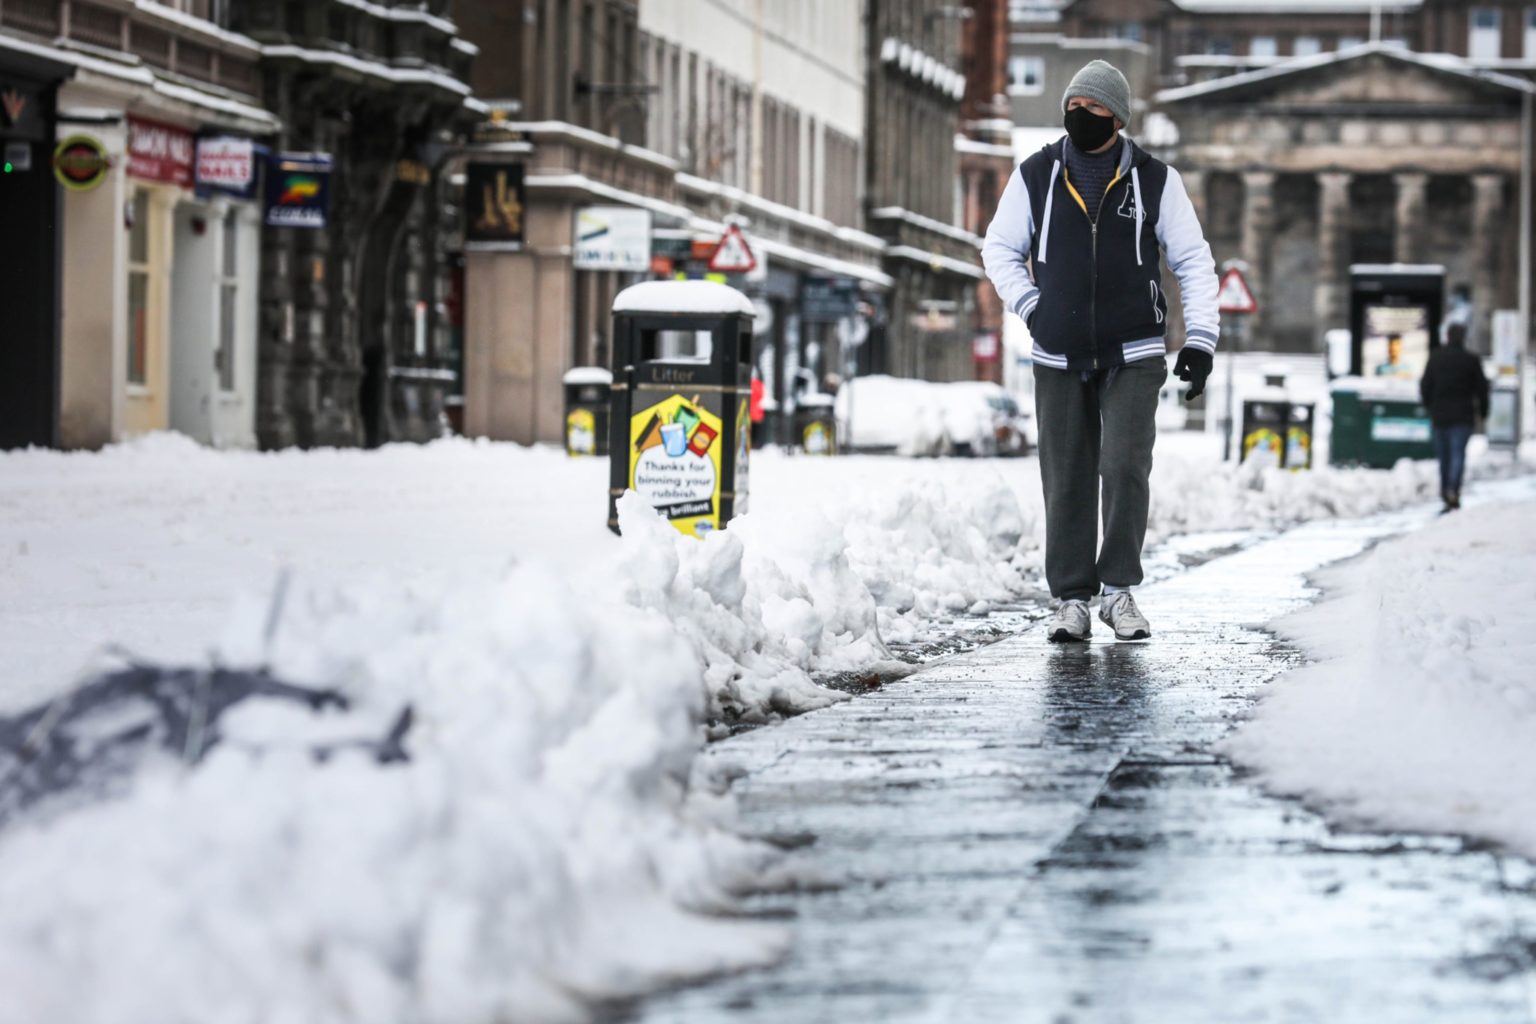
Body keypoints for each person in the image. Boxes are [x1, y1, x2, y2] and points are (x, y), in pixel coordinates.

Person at [982, 59, 1218, 643]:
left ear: (1118, 117)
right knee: (1066, 476)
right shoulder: (1036, 174)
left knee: (1124, 466)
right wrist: (1032, 308)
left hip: (1135, 347)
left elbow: (1193, 261)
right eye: (1072, 107)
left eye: (1092, 109)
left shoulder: (1156, 180)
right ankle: (1071, 599)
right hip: (1058, 353)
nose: (1079, 116)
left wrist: (1201, 340)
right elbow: (999, 250)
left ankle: (1117, 592)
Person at [1419, 322, 1489, 511]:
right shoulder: (1471, 360)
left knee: (1444, 456)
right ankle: (1453, 490)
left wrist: (1428, 405)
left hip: (1440, 415)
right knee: (1458, 454)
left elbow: (1425, 384)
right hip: (1463, 416)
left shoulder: (1436, 357)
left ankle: (1445, 489)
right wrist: (1483, 412)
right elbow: (1482, 388)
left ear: (1447, 336)